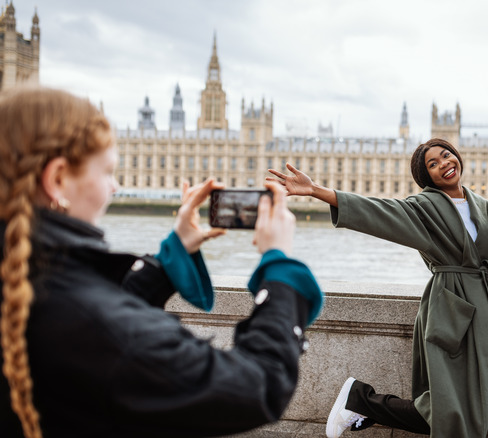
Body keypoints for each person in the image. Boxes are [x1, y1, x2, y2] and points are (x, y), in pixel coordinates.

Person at [0, 86, 323, 438]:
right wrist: (280, 268)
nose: (116, 187)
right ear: (58, 179)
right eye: (108, 172)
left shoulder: (32, 280)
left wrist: (170, 259)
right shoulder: (91, 322)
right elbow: (256, 387)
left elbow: (94, 313)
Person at [267, 138, 488, 437]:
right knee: (449, 406)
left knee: (476, 406)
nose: (444, 164)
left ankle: (361, 404)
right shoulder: (425, 207)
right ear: (425, 177)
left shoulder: (483, 205)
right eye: (433, 164)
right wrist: (316, 191)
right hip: (450, 309)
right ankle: (361, 401)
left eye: (446, 155)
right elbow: (378, 211)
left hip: (483, 313)